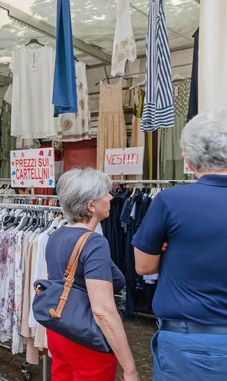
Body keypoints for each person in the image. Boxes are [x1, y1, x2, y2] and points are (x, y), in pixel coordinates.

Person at [133, 111, 227, 380]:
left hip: (188, 343)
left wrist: (171, 249)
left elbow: (144, 266)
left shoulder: (170, 201)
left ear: (187, 158)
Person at [46, 168, 138, 381]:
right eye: (105, 193)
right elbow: (103, 311)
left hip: (59, 330)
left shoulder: (56, 235)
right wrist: (130, 368)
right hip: (85, 337)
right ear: (91, 205)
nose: (110, 197)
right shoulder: (94, 242)